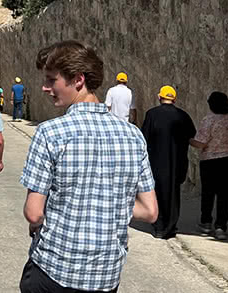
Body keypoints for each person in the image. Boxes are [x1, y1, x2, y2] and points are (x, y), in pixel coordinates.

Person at [20, 41, 157, 293]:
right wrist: (109, 202)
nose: (45, 87)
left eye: (52, 80)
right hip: (105, 276)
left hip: (54, 269)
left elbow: (34, 213)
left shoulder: (50, 133)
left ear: (78, 80)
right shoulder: (134, 136)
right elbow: (149, 211)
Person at [141, 86, 196, 239]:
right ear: (174, 99)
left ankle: (159, 226)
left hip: (156, 162)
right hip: (177, 162)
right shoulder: (183, 115)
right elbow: (192, 134)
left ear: (160, 97)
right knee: (173, 193)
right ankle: (170, 227)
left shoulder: (152, 114)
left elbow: (144, 137)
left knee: (157, 192)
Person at [190, 91, 228, 241]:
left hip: (211, 162)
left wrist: (189, 140)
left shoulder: (209, 120)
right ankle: (220, 227)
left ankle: (206, 223)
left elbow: (201, 142)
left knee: (208, 193)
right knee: (225, 195)